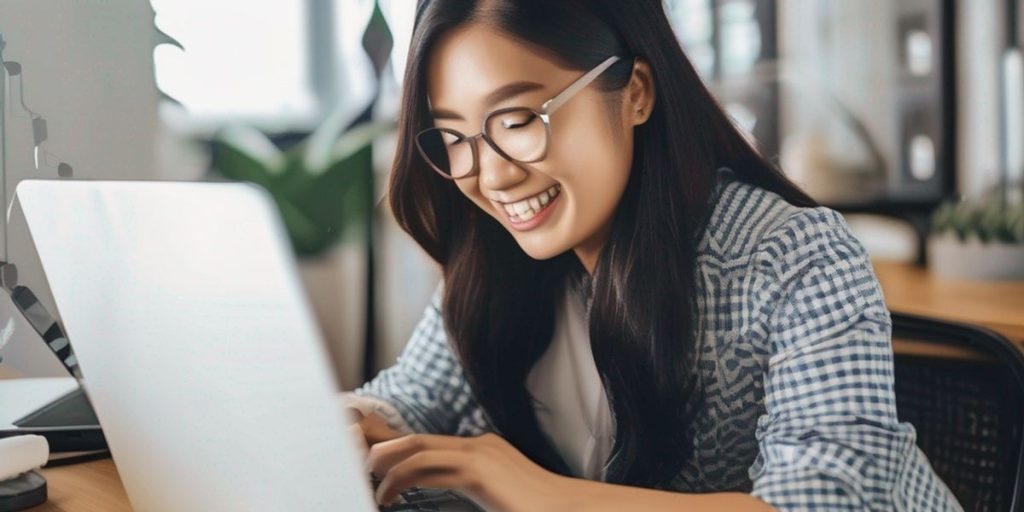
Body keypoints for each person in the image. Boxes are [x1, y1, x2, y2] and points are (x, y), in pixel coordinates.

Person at [344, 0, 963, 510]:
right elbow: (410, 397)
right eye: (454, 136)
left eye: (518, 119)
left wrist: (533, 490)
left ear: (635, 91)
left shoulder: (793, 255)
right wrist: (350, 423)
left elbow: (825, 502)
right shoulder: (496, 261)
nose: (492, 175)